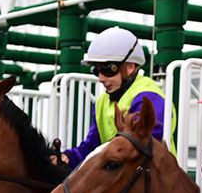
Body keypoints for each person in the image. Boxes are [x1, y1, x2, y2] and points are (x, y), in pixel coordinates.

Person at [56, 27, 175, 167]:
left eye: (107, 70)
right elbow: (93, 146)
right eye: (97, 70)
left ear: (130, 67)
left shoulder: (149, 98)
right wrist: (68, 158)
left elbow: (138, 148)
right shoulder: (102, 101)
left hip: (157, 176)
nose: (101, 78)